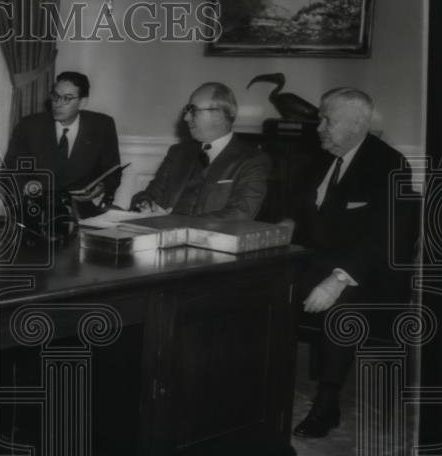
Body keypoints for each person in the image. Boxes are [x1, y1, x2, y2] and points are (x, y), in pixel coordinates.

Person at [289, 88, 417, 438]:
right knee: (262, 287)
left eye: (327, 119)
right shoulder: (318, 158)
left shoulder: (389, 164)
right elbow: (296, 214)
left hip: (369, 276)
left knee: (340, 308)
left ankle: (327, 404)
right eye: (320, 117)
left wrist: (337, 279)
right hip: (315, 262)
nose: (319, 127)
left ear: (358, 123)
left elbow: (386, 238)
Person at [129, 82, 270, 219]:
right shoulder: (178, 153)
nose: (186, 118)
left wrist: (174, 223)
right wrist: (145, 204)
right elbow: (150, 194)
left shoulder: (253, 161)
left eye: (193, 111)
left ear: (219, 115)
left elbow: (239, 215)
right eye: (187, 110)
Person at [3, 71, 121, 218]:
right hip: (37, 211)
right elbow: (9, 171)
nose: (57, 104)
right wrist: (27, 187)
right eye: (55, 96)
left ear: (82, 102)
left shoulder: (102, 126)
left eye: (67, 99)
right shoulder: (29, 126)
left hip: (83, 211)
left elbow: (113, 172)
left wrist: (102, 187)